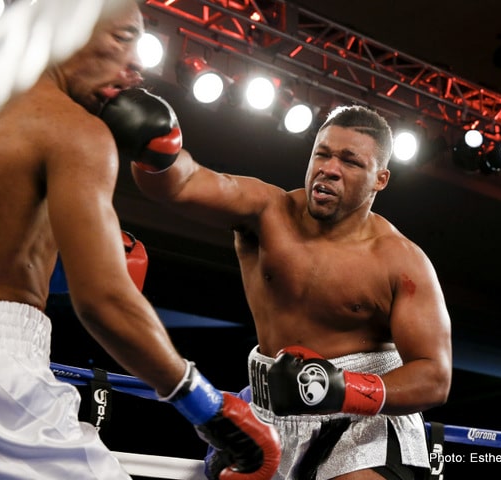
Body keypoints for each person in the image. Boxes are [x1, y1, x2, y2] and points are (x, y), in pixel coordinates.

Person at [0, 2, 280, 479]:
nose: (138, 63)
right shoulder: (76, 131)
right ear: (65, 33)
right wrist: (209, 409)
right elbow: (103, 301)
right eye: (122, 37)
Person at [115, 94, 453, 479]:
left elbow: (434, 377)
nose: (329, 169)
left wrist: (339, 390)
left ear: (381, 178)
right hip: (270, 413)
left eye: (350, 160)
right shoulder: (266, 212)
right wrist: (152, 145)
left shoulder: (401, 261)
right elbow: (179, 185)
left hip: (362, 423)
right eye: (321, 154)